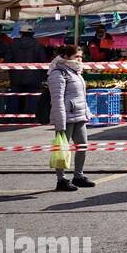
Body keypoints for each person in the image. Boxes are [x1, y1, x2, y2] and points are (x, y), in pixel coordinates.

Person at [48, 44, 93, 191]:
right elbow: (57, 99)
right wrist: (60, 122)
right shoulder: (58, 73)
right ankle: (61, 180)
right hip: (66, 117)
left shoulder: (76, 71)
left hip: (79, 115)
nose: (79, 59)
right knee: (62, 149)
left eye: (81, 56)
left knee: (82, 146)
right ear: (66, 57)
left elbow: (81, 96)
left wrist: (87, 113)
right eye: (76, 56)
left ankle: (78, 176)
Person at [8, 22, 48, 120]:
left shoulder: (13, 44)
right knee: (32, 97)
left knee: (14, 97)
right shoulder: (38, 45)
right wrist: (43, 77)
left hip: (16, 77)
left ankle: (11, 118)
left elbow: (7, 60)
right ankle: (31, 118)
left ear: (20, 33)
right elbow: (43, 61)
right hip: (34, 77)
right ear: (33, 34)